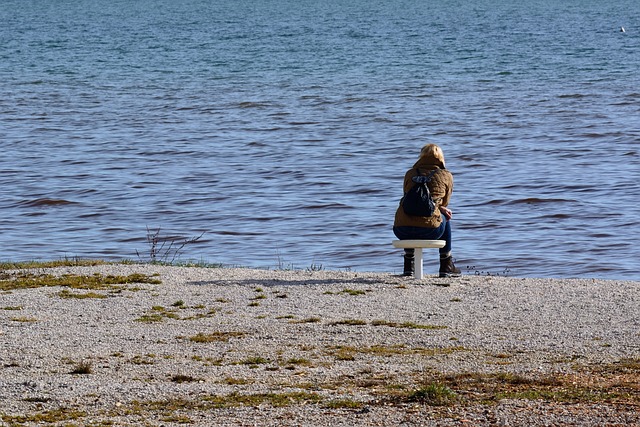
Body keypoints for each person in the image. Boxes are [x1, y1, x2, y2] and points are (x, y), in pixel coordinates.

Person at [393, 143, 461, 278]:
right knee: (445, 216)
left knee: (410, 215)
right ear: (440, 158)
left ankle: (408, 266)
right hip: (430, 230)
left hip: (401, 229)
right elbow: (445, 202)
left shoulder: (410, 173)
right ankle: (446, 264)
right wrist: (440, 206)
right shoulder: (445, 175)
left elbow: (409, 200)